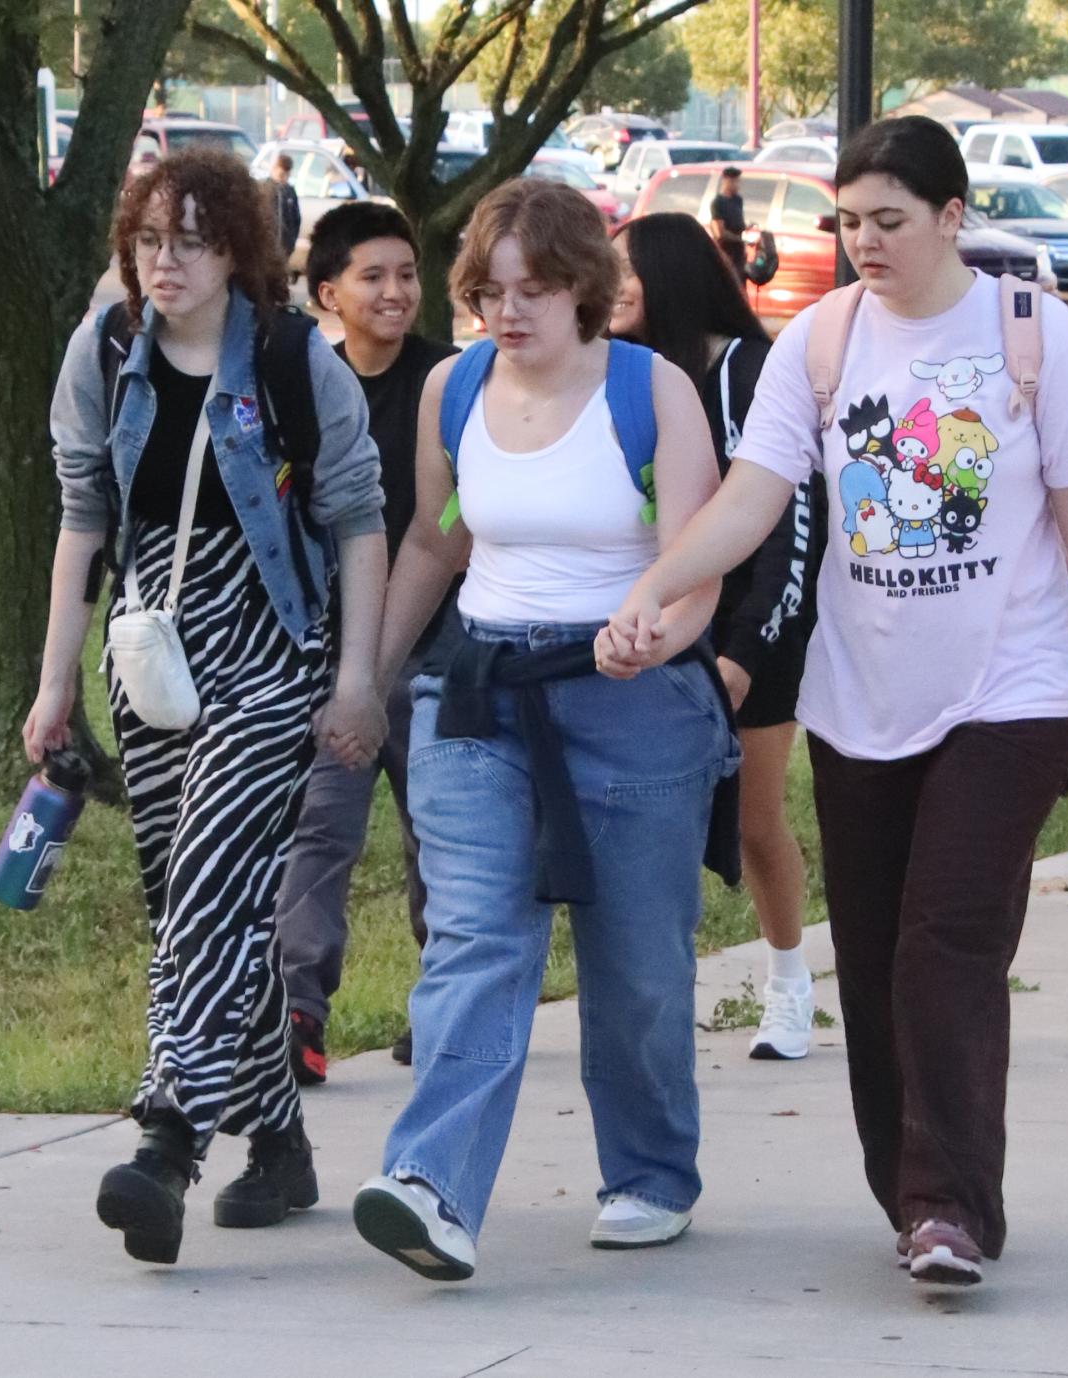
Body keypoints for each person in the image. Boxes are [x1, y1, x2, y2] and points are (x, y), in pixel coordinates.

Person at [598, 115, 1068, 1287]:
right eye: (848, 221)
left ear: (952, 217)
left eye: (890, 221)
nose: (864, 241)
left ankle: (947, 1205)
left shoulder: (1032, 335)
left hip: (1012, 690)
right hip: (862, 699)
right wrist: (658, 592)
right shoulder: (818, 344)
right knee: (869, 960)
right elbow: (752, 498)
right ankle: (914, 1191)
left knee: (943, 944)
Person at [350, 178, 738, 1282]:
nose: (507, 312)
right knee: (476, 936)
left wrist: (656, 637)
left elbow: (700, 557)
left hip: (631, 698)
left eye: (535, 289)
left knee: (637, 966)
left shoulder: (650, 391)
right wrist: (372, 681)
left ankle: (651, 1171)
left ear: (588, 291)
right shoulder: (452, 388)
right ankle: (432, 1185)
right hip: (479, 698)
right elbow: (437, 540)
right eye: (487, 290)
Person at [29, 147, 389, 1265]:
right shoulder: (106, 349)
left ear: (235, 249)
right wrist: (53, 682)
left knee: (208, 888)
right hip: (150, 656)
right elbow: (82, 518)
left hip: (270, 649)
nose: (163, 263)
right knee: (198, 910)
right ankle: (280, 1144)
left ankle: (168, 1138)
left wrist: (358, 677)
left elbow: (357, 517)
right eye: (146, 242)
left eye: (188, 241)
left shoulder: (290, 358)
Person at [610, 214, 822, 1060]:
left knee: (753, 822)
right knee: (645, 827)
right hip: (653, 629)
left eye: (623, 269)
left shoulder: (746, 370)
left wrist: (741, 656)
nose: (610, 284)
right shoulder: (622, 374)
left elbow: (785, 530)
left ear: (667, 273)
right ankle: (652, 1003)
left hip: (748, 636)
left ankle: (789, 986)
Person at [274, 203, 457, 1084]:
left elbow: (449, 523)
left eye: (405, 274)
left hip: (434, 648)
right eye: (371, 277)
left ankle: (445, 1005)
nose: (394, 292)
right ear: (326, 294)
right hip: (333, 654)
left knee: (443, 832)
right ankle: (297, 1013)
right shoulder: (306, 387)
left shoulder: (449, 381)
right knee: (319, 831)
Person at [709, 166, 748, 278]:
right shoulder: (718, 203)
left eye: (738, 181)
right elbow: (720, 233)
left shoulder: (738, 200)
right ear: (726, 181)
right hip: (727, 252)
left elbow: (739, 224)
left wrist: (748, 228)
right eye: (735, 181)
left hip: (739, 252)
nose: (738, 185)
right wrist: (741, 239)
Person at [269, 152, 301, 258]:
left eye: (287, 175)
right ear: (274, 169)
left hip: (284, 246)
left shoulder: (290, 191)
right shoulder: (265, 189)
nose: (284, 178)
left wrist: (291, 243)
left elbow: (296, 219)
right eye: (281, 174)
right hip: (268, 246)